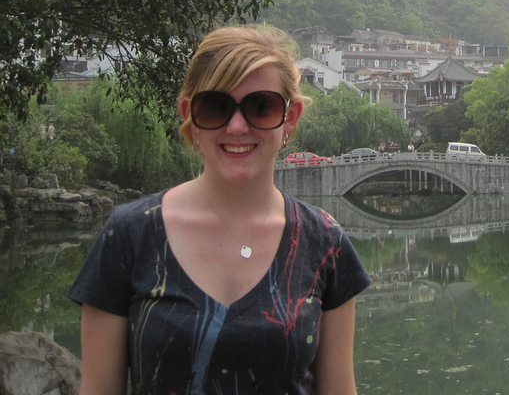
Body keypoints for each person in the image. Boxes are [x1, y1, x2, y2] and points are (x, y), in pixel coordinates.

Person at [69, 25, 371, 395]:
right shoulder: (130, 235)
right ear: (190, 114)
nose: (237, 126)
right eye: (215, 107)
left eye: (261, 106)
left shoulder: (324, 242)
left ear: (289, 117)